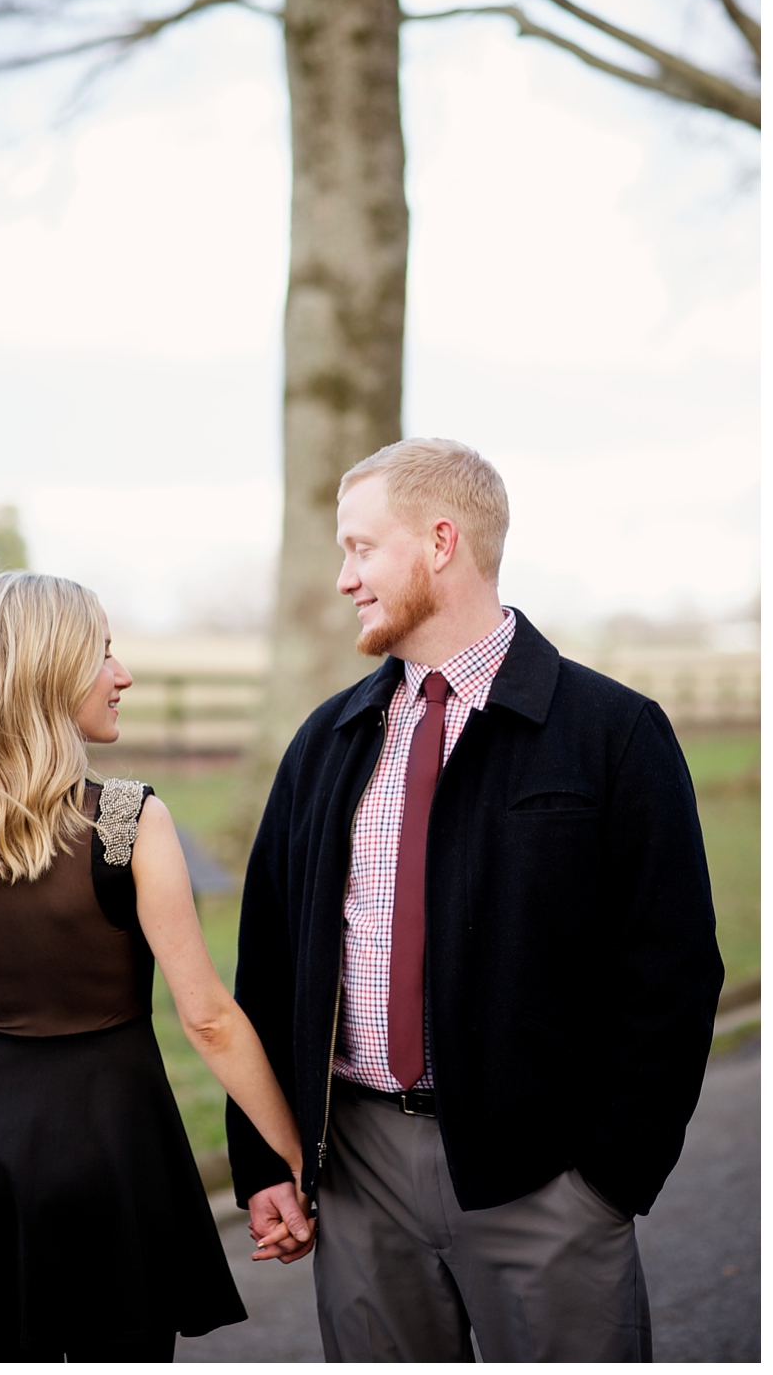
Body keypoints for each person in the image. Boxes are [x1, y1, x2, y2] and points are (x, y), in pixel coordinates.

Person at [228, 438, 724, 1360]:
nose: (344, 578)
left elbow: (672, 969)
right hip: (359, 1174)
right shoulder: (325, 742)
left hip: (547, 1182)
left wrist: (608, 1175)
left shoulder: (611, 733)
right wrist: (264, 1157)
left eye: (362, 548)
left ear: (441, 542)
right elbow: (269, 965)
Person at [0, 571, 314, 1362]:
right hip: (120, 1156)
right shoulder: (127, 819)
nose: (123, 675)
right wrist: (292, 1156)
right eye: (101, 654)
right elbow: (208, 1018)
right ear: (45, 674)